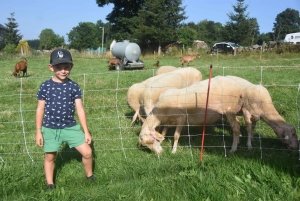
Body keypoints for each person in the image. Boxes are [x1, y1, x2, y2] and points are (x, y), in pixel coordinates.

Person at [35, 49, 94, 190]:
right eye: (59, 67)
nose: (63, 71)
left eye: (66, 67)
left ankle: (90, 176)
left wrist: (86, 131)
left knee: (88, 152)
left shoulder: (74, 86)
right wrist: (38, 131)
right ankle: (50, 183)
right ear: (51, 67)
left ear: (71, 66)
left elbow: (80, 109)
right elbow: (40, 109)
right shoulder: (45, 86)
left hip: (70, 127)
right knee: (50, 156)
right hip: (50, 128)